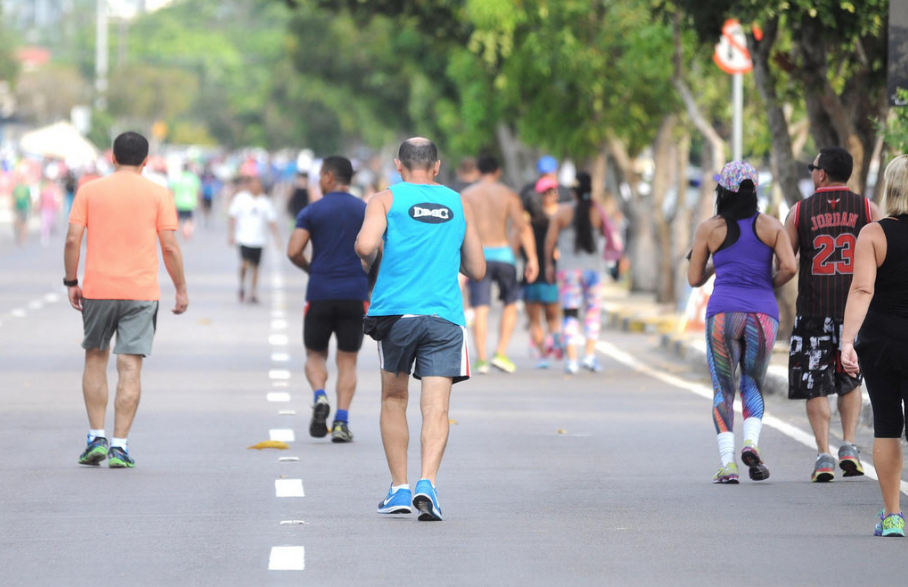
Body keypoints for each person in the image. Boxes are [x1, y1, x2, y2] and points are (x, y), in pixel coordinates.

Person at [356, 137, 485, 521]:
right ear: (437, 166)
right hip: (444, 317)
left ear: (399, 166)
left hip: (396, 316)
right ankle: (428, 483)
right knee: (436, 408)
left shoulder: (384, 199)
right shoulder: (459, 203)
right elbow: (477, 269)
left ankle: (399, 488)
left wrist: (376, 257)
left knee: (394, 399)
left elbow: (365, 246)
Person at [64, 131, 189, 469]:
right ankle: (119, 446)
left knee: (95, 358)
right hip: (141, 293)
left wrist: (72, 281)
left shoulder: (89, 191)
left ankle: (95, 438)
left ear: (113, 158)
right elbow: (170, 247)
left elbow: (73, 240)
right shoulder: (159, 194)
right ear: (146, 161)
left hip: (98, 290)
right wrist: (180, 288)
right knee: (130, 366)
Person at [688, 161, 798, 484]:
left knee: (723, 389)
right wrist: (768, 285)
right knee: (752, 383)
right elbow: (790, 267)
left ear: (723, 191)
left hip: (722, 313)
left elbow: (694, 278)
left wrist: (713, 267)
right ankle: (751, 443)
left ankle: (729, 464)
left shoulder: (710, 229)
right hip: (763, 315)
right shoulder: (771, 226)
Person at [784, 146, 881, 482]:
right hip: (855, 312)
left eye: (813, 168)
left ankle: (824, 454)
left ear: (822, 173)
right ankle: (850, 445)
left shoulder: (799, 212)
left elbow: (786, 262)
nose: (812, 173)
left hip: (812, 312)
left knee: (814, 385)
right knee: (851, 378)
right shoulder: (868, 209)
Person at [842, 155, 908, 537]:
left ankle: (893, 515)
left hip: (881, 341)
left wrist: (846, 341)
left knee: (886, 425)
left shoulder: (873, 233)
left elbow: (862, 289)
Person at [287, 157, 367, 443]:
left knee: (314, 354)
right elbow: (378, 250)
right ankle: (342, 422)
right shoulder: (366, 209)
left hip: (320, 293)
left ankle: (320, 396)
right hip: (355, 295)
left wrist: (313, 269)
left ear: (330, 177)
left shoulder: (312, 211)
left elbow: (294, 250)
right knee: (348, 361)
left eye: (320, 177)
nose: (318, 182)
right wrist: (368, 283)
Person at [461, 155, 538, 373]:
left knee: (481, 308)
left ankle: (482, 359)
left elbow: (458, 228)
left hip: (478, 256)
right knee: (510, 304)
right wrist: (532, 258)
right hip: (504, 255)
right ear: (497, 172)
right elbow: (523, 227)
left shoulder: (466, 195)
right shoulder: (508, 194)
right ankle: (501, 353)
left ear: (478, 171)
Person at [543, 172, 605, 374]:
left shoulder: (562, 212)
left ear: (573, 192)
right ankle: (589, 356)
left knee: (570, 313)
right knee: (593, 312)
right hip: (593, 270)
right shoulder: (597, 212)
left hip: (568, 270)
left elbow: (550, 242)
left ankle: (571, 360)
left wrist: (549, 265)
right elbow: (607, 236)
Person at [524, 176, 563, 369]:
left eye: (554, 191)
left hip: (547, 274)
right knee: (539, 319)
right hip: (540, 274)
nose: (551, 195)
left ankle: (549, 348)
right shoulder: (560, 218)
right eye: (547, 192)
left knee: (550, 317)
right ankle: (545, 351)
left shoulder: (529, 221)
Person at [228, 177, 281, 304]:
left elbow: (271, 221)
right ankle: (242, 285)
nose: (256, 187)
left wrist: (277, 237)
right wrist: (231, 234)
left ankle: (253, 292)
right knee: (244, 264)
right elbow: (232, 216)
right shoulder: (241, 198)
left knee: (256, 267)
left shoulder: (265, 202)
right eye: (254, 184)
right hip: (244, 238)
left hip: (259, 240)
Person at [172, 164, 201, 239]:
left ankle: (184, 230)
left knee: (180, 219)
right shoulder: (193, 178)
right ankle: (187, 231)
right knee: (189, 219)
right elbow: (197, 191)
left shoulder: (177, 178)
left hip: (178, 202)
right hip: (190, 202)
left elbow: (172, 190)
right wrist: (199, 201)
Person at [39, 178, 59, 247]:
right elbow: (41, 199)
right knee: (44, 222)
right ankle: (45, 235)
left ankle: (49, 232)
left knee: (50, 221)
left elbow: (57, 199)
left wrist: (57, 206)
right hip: (45, 208)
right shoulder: (44, 190)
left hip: (52, 208)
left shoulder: (54, 190)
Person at [12, 177, 31, 246]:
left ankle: (20, 236)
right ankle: (22, 239)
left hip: (19, 208)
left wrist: (13, 207)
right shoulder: (26, 189)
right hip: (23, 208)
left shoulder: (17, 189)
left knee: (20, 222)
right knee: (24, 224)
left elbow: (13, 199)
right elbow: (29, 199)